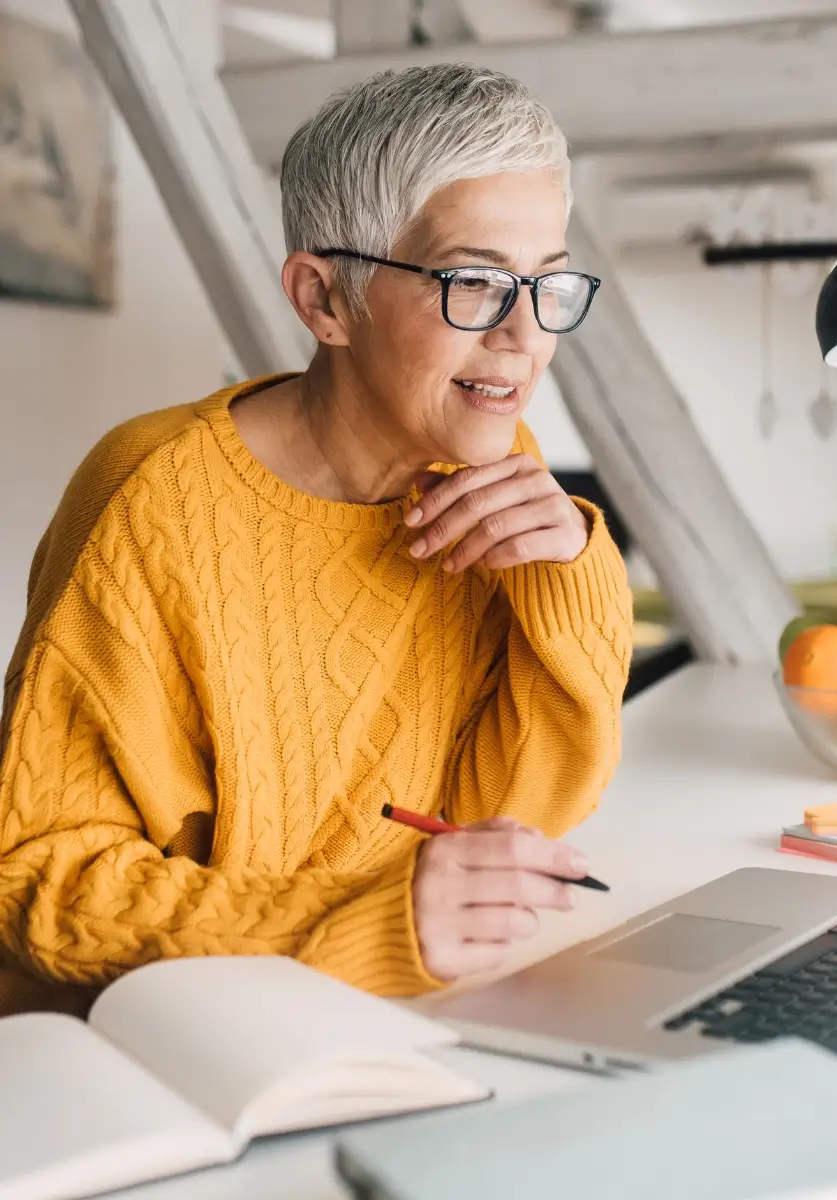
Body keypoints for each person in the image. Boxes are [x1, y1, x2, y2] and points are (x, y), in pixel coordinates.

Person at [0, 64, 633, 1016]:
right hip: (137, 1036)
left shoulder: (489, 473)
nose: (524, 336)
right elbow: (39, 881)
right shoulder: (150, 497)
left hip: (372, 1010)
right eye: (473, 282)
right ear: (325, 300)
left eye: (547, 283)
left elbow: (508, 819)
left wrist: (571, 577)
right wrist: (355, 921)